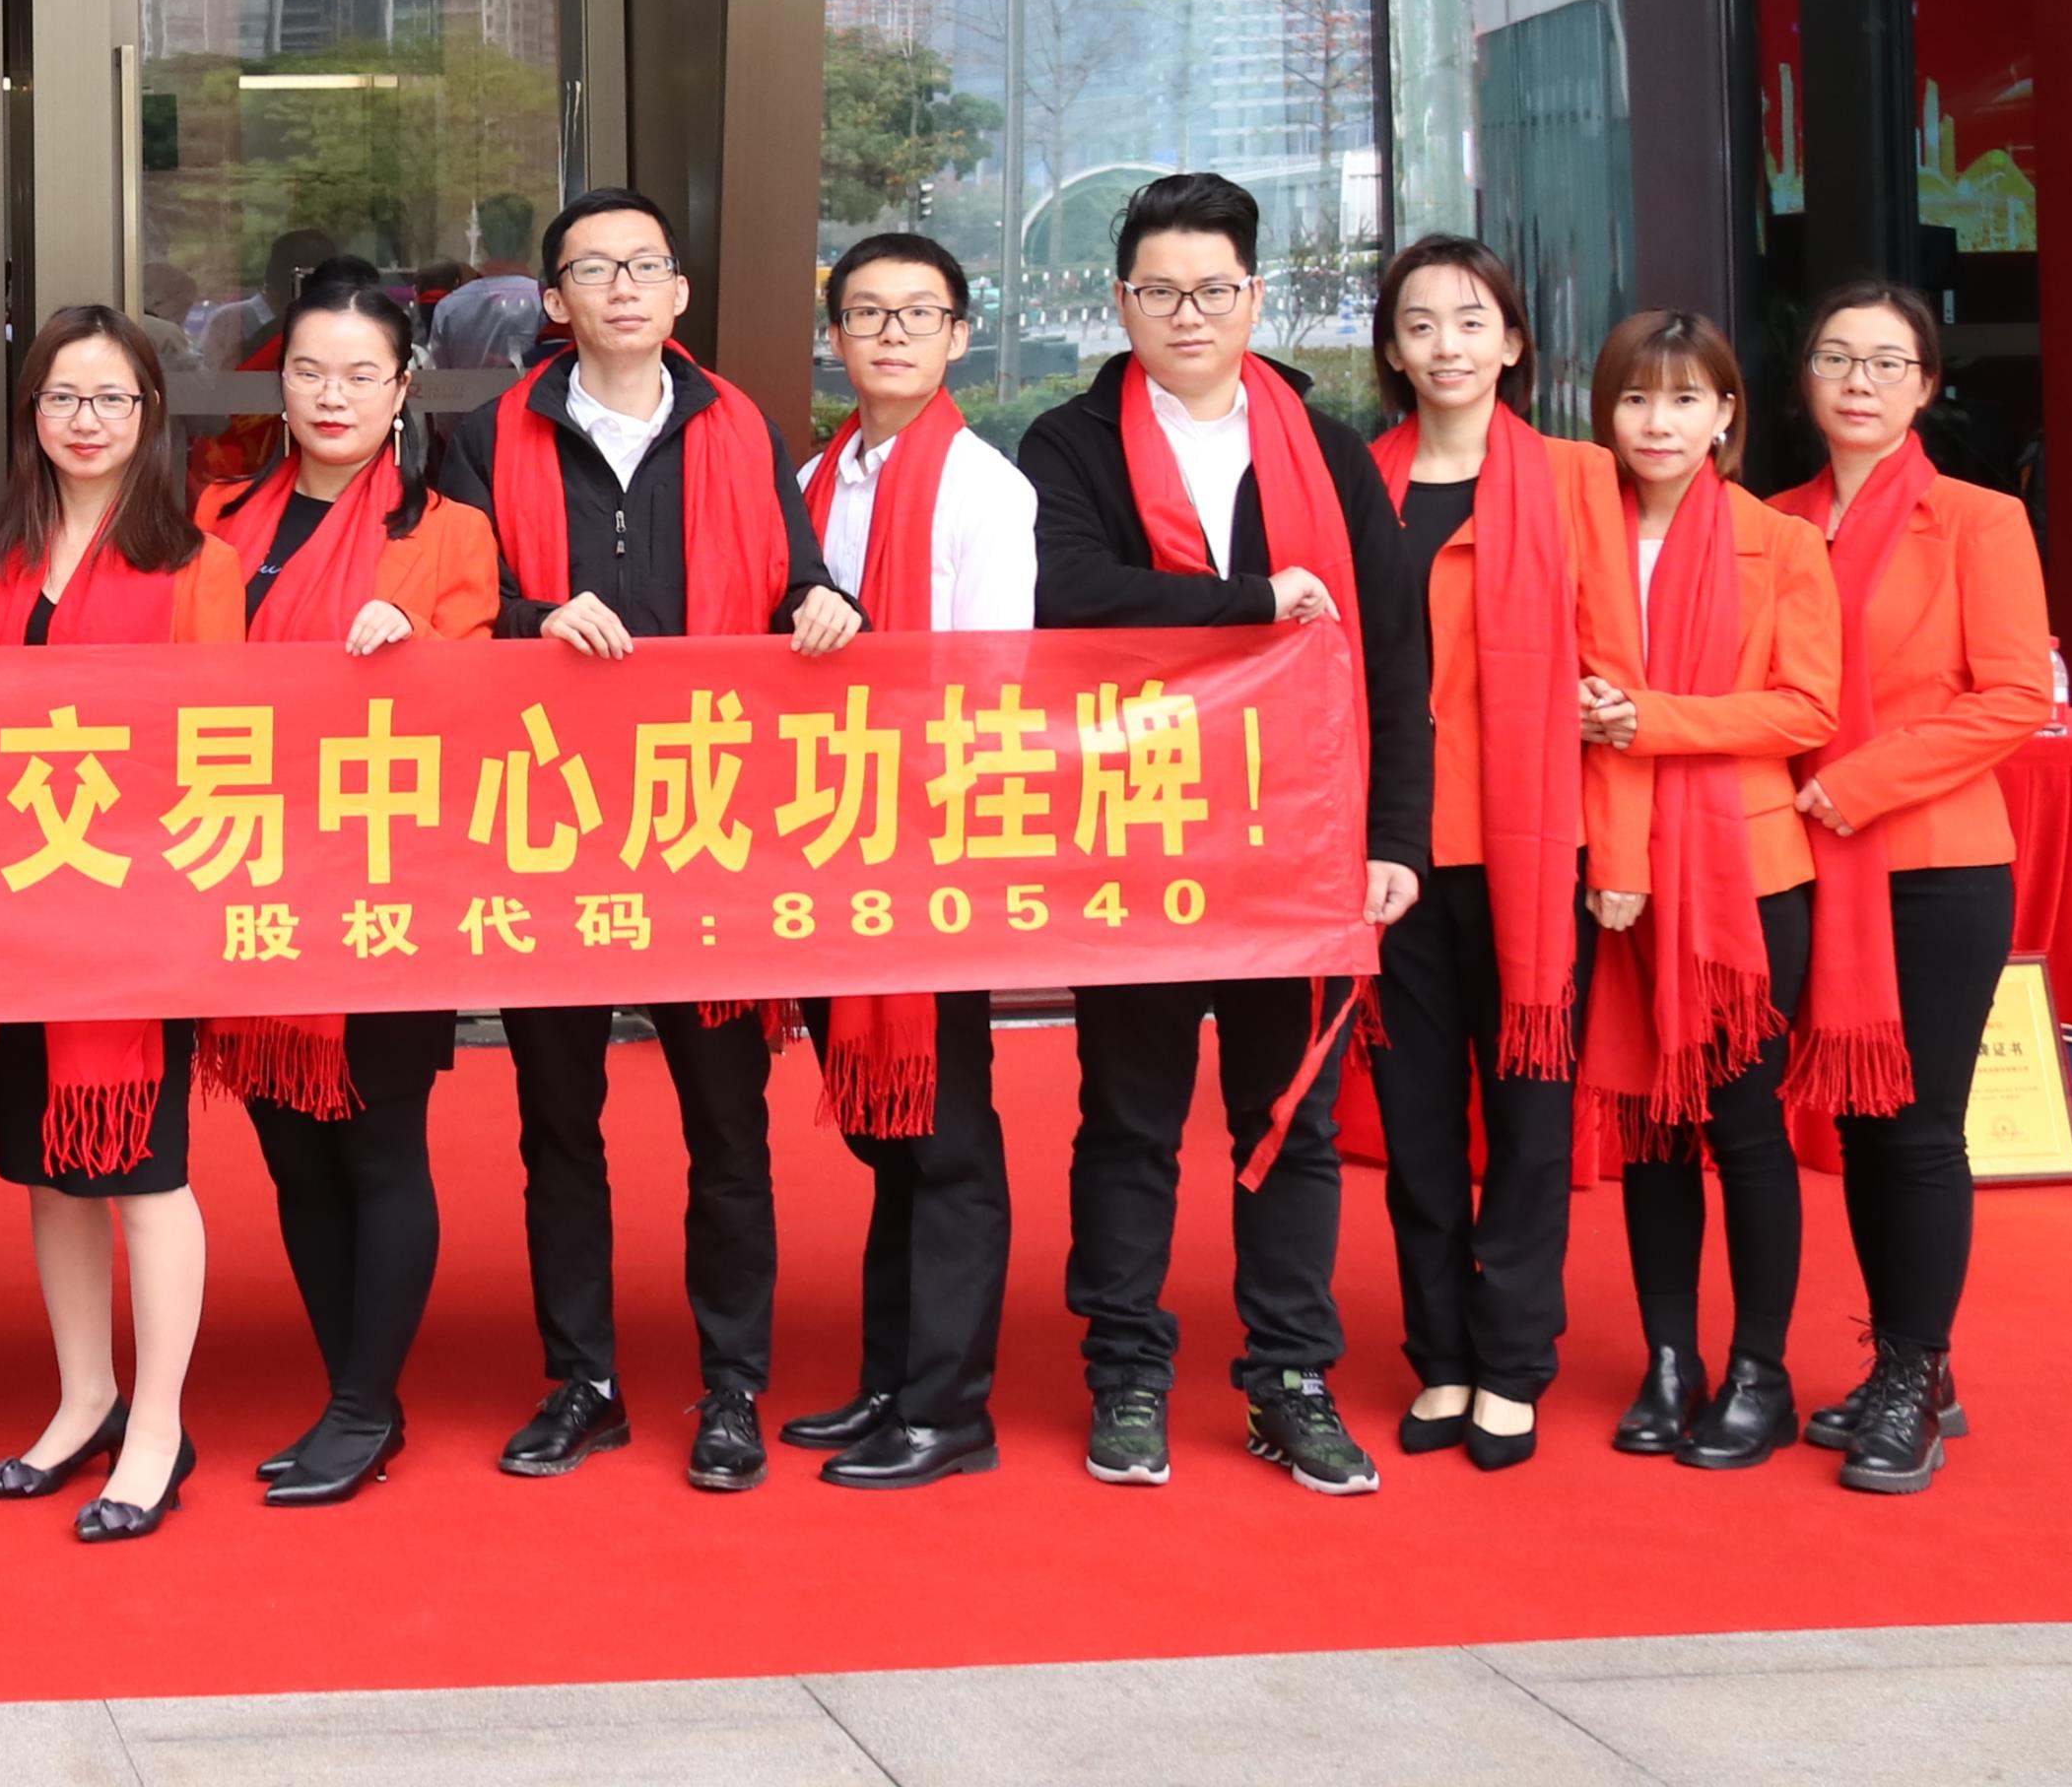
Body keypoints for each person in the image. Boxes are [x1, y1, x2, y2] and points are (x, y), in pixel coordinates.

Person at [1015, 168, 1434, 1496]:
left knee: (1288, 1121)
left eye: (1211, 289)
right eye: (1159, 291)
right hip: (1136, 831)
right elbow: (1066, 594)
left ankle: (1290, 1377)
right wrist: (1254, 599)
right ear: (1120, 301)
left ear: (1255, 296)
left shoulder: (1328, 449)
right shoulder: (1071, 443)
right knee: (1129, 1120)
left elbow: (1391, 651)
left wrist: (1395, 835)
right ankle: (1128, 1374)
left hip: (1295, 836)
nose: (1186, 313)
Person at [424, 187, 843, 1495]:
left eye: (643, 266)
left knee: (727, 1125)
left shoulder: (738, 428)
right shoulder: (490, 436)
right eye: (593, 270)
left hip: (702, 820)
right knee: (559, 1122)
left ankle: (733, 1386)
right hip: (545, 825)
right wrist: (534, 619)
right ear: (553, 301)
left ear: (677, 293)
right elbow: (454, 601)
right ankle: (584, 1382)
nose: (621, 287)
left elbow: (794, 576)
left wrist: (824, 600)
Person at [195, 269, 494, 1510]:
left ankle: (365, 1409)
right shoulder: (218, 516)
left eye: (361, 375)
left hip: (381, 890)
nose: (333, 396)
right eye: (310, 372)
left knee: (377, 1149)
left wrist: (415, 659)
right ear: (279, 382)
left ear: (402, 387)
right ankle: (352, 1393)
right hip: (252, 877)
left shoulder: (448, 534)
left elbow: (480, 709)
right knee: (294, 1159)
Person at [1766, 282, 2056, 1494]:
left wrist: (1859, 784)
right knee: (1853, 1123)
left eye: (1889, 363)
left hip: (1935, 864)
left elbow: (2015, 695)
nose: (1861, 381)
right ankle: (1903, 1363)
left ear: (1927, 387)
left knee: (1918, 1126)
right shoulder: (1770, 522)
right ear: (1806, 380)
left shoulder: (1981, 520)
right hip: (1801, 862)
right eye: (1838, 358)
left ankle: (1915, 1372)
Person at [0, 309, 241, 1545]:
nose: (86, 421)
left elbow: (224, 746)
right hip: (20, 907)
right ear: (31, 412)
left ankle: (159, 1427)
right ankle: (84, 1397)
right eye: (63, 398)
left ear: (149, 416)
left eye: (112, 400)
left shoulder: (198, 564)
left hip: (141, 912)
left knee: (145, 1173)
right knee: (51, 1168)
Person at [780, 234, 1040, 1490]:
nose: (890, 334)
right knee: (886, 1130)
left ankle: (949, 1410)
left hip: (931, 843)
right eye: (867, 313)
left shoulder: (986, 488)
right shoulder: (809, 479)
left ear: (958, 337)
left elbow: (997, 679)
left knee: (946, 1138)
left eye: (917, 314)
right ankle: (891, 1379)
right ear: (834, 336)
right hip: (828, 837)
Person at [1357, 234, 1619, 1474]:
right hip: (1393, 858)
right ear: (1392, 349)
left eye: (1471, 322)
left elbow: (1613, 672)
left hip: (1536, 850)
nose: (1446, 346)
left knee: (1527, 1117)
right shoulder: (1362, 482)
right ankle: (1442, 1354)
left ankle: (1512, 1360)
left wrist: (1617, 846)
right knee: (1415, 1125)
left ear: (1512, 342)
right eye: (1420, 325)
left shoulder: (1575, 479)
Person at [1574, 310, 1839, 1468]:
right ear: (1606, 414)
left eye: (1686, 398)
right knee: (1650, 1126)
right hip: (1616, 872)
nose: (1659, 422)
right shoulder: (1579, 536)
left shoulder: (1780, 543)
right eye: (1637, 398)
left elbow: (1805, 709)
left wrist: (1647, 721)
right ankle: (1670, 1361)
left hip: (1746, 873)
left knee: (1742, 1125)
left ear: (1727, 413)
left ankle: (1761, 1372)